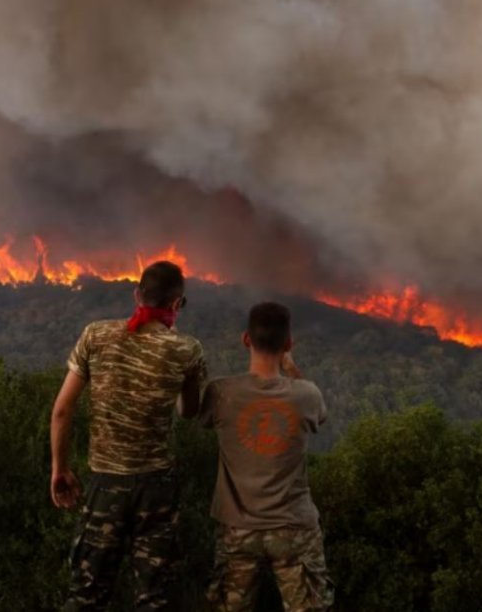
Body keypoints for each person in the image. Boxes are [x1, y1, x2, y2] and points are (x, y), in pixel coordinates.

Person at [50, 260, 207, 612]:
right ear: (177, 304)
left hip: (105, 484)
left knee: (86, 596)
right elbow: (189, 411)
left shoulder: (95, 335)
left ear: (137, 295)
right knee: (155, 599)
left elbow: (62, 410)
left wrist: (60, 468)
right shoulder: (187, 350)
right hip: (156, 489)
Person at [200, 302, 333, 612]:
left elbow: (193, 413)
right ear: (288, 344)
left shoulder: (221, 393)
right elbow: (320, 416)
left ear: (246, 339)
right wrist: (291, 367)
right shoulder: (306, 395)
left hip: (237, 530)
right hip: (294, 528)